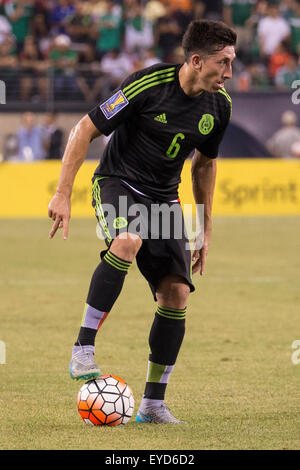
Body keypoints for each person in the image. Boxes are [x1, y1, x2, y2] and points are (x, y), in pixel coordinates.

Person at [48, 19, 236, 424]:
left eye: (232, 63)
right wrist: (63, 192)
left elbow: (204, 166)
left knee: (176, 294)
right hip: (119, 183)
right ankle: (83, 348)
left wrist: (204, 227)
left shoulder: (219, 106)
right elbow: (84, 130)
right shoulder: (146, 85)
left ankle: (152, 404)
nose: (230, 73)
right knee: (128, 239)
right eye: (223, 63)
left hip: (165, 198)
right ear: (197, 60)